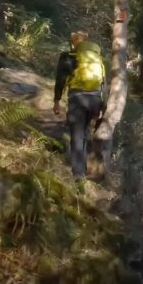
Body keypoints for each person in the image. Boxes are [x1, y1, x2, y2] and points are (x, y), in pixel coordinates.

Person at [53, 31, 106, 178]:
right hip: (95, 100)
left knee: (77, 135)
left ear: (73, 42)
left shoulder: (69, 57)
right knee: (85, 131)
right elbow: (103, 83)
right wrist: (102, 105)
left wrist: (57, 101)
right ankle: (84, 167)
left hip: (77, 99)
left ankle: (78, 175)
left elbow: (60, 80)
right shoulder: (97, 58)